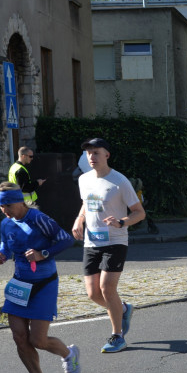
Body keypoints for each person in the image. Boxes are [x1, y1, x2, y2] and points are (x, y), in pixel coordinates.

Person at [0, 182, 80, 373]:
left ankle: (69, 354)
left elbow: (66, 239)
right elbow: (5, 244)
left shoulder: (39, 219)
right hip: (20, 285)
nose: (5, 211)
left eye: (9, 205)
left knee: (38, 340)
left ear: (19, 201)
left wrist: (43, 254)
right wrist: (1, 254)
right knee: (19, 336)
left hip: (44, 284)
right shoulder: (6, 223)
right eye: (1, 207)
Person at [72, 138, 145, 354]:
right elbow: (86, 203)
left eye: (96, 153)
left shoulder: (119, 181)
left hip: (115, 240)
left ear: (107, 155)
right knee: (93, 294)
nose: (91, 157)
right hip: (91, 241)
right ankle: (122, 309)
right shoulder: (84, 179)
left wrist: (121, 222)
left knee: (107, 287)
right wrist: (79, 219)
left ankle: (117, 335)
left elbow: (139, 213)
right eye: (88, 153)